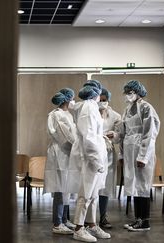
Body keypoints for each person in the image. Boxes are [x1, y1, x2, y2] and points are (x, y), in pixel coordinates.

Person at [68, 80, 111, 242]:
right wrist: (96, 160)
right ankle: (78, 228)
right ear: (96, 93)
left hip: (95, 155)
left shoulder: (90, 106)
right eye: (100, 92)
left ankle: (91, 224)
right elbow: (88, 137)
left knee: (94, 194)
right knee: (85, 193)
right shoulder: (88, 108)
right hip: (89, 157)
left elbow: (94, 133)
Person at [117, 80, 160, 232]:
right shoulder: (127, 109)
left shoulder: (147, 108)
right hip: (129, 151)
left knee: (142, 186)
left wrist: (143, 157)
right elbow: (123, 133)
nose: (128, 95)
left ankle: (145, 221)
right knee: (134, 186)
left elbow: (149, 134)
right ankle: (138, 219)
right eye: (127, 92)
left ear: (138, 92)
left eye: (130, 92)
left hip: (141, 152)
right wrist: (121, 154)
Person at [45, 88, 77, 234]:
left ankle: (64, 219)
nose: (73, 101)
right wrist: (79, 146)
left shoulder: (67, 114)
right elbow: (66, 136)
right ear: (66, 100)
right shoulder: (57, 115)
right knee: (60, 188)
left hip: (67, 153)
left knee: (67, 188)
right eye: (72, 99)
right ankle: (58, 223)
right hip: (60, 154)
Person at [97, 88, 122, 229]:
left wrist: (115, 135)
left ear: (108, 100)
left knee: (105, 187)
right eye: (99, 100)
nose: (101, 103)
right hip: (93, 153)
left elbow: (120, 135)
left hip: (108, 154)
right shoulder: (90, 114)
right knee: (92, 187)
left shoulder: (115, 116)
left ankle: (103, 217)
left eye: (104, 100)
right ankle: (89, 220)